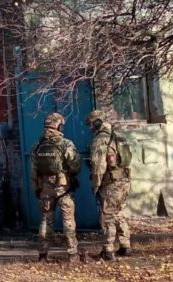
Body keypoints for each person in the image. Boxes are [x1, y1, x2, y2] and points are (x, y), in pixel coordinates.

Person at [31, 112, 82, 262]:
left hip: (45, 188)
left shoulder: (37, 145)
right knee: (68, 220)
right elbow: (75, 166)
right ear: (58, 126)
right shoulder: (66, 143)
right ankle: (73, 254)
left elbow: (33, 171)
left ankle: (42, 254)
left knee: (45, 221)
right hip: (63, 188)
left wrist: (36, 188)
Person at [87, 110, 132, 261]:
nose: (90, 128)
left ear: (97, 122)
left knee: (107, 217)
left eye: (91, 124)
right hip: (124, 181)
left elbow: (98, 165)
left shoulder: (101, 139)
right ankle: (125, 246)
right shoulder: (117, 135)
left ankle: (108, 251)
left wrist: (95, 185)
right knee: (119, 213)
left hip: (111, 183)